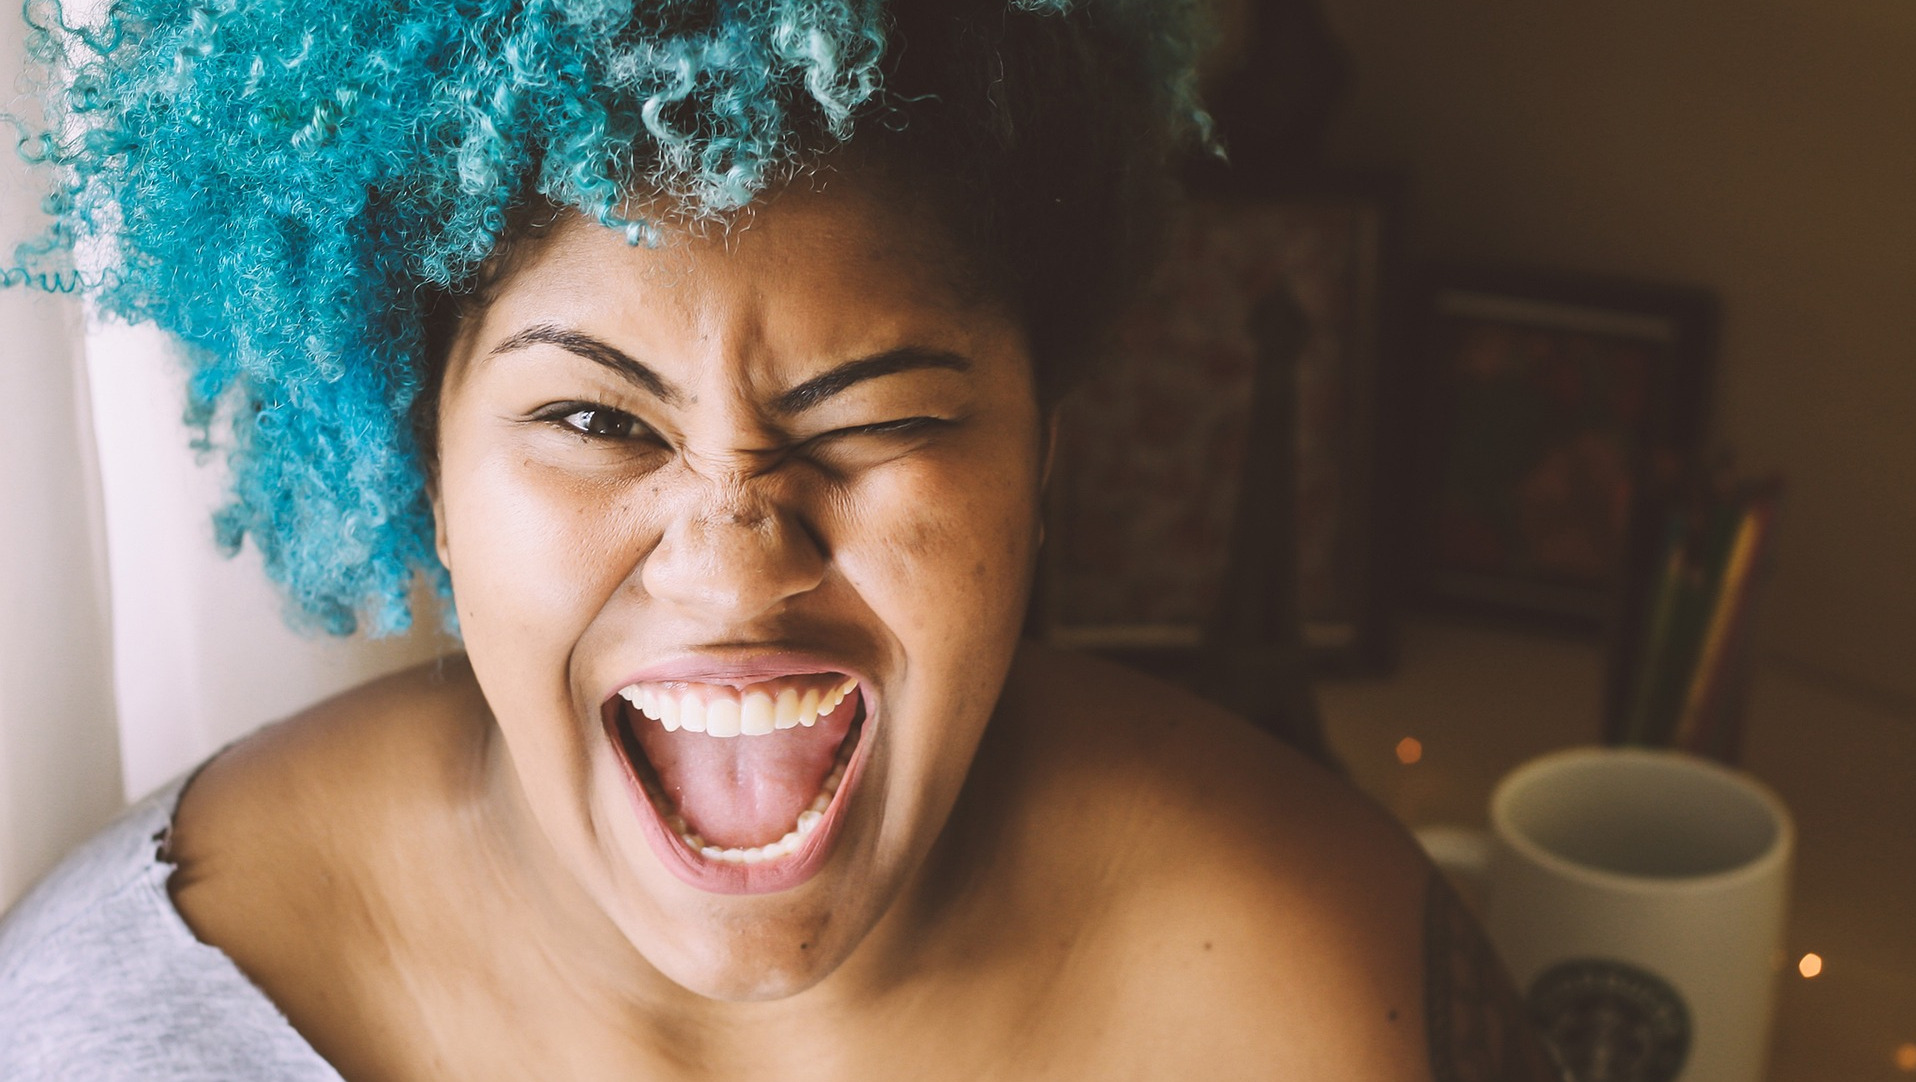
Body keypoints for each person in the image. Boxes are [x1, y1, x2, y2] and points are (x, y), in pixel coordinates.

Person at [0, 0, 1564, 1077]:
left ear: (1042, 469)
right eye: (599, 421)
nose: (739, 564)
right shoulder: (137, 1024)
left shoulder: (1331, 996)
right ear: (427, 473)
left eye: (879, 417)